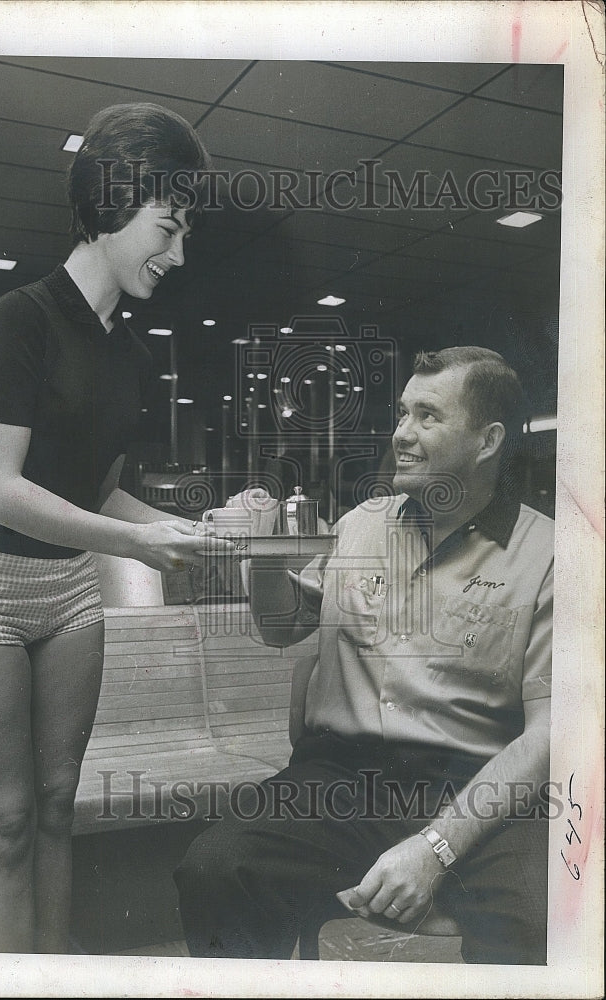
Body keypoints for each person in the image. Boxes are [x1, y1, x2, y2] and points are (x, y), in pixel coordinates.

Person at [0, 102, 230, 954]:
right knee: (7, 820)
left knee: (58, 805)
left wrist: (185, 528)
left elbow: (103, 494)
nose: (179, 253)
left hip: (63, 591)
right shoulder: (20, 319)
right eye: (168, 227)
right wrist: (133, 545)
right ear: (111, 206)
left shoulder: (129, 355)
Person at [174, 346, 553, 965]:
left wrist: (434, 849)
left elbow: (545, 735)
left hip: (478, 790)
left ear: (487, 441)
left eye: (427, 416)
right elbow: (281, 627)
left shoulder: (551, 554)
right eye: (402, 412)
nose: (401, 433)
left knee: (537, 917)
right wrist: (262, 549)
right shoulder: (364, 523)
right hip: (341, 780)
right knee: (216, 869)